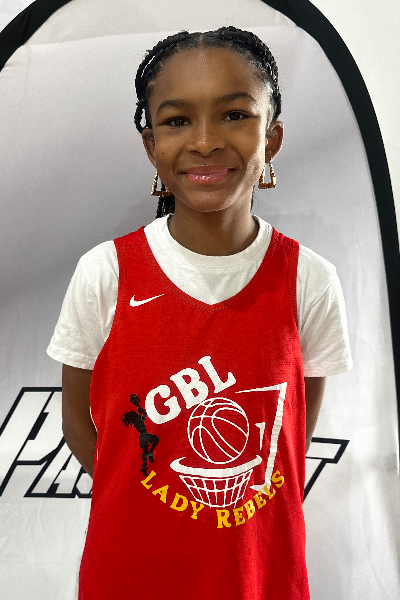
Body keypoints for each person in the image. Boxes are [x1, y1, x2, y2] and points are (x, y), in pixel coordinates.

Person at [47, 26, 352, 600]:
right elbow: (77, 425)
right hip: (128, 575)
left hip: (259, 578)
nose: (206, 142)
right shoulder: (105, 272)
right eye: (177, 120)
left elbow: (291, 435)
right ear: (150, 145)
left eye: (235, 115)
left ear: (272, 137)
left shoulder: (308, 279)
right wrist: (153, 496)